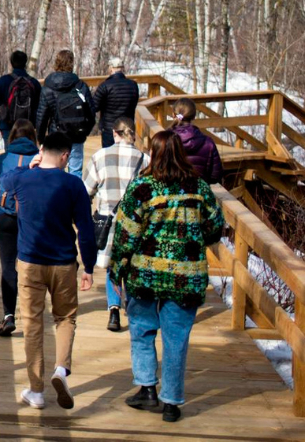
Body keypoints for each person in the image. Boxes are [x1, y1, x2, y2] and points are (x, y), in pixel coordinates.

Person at [109, 129, 227, 423]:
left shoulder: (142, 187)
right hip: (186, 276)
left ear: (154, 153)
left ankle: (147, 388)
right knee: (176, 339)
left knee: (142, 330)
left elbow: (126, 234)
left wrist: (117, 269)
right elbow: (215, 227)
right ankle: (171, 403)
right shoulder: (199, 187)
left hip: (145, 274)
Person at [0, 131, 97, 410]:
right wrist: (88, 267)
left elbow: (1, 182)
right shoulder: (73, 184)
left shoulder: (21, 178)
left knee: (32, 324)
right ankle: (60, 370)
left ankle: (36, 391)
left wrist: (28, 164)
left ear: (42, 150)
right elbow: (86, 230)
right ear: (66, 156)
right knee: (65, 318)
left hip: (30, 263)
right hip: (63, 263)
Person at [83, 116, 145, 332]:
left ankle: (114, 311)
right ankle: (134, 308)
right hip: (136, 223)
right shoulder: (144, 160)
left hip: (109, 222)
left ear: (115, 134)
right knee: (132, 266)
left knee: (113, 267)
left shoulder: (100, 156)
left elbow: (86, 190)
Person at [0, 120, 40, 338]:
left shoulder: (3, 158)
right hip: (32, 220)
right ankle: (32, 314)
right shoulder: (40, 159)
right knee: (32, 267)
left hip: (5, 219)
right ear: (33, 137)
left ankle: (9, 316)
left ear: (12, 138)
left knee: (8, 266)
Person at [35, 49, 98, 177]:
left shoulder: (48, 87)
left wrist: (41, 139)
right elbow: (91, 113)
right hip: (76, 135)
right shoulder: (80, 86)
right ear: (71, 64)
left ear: (56, 63)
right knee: (75, 172)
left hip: (56, 136)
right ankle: (74, 196)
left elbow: (41, 116)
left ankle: (58, 196)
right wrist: (83, 132)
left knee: (55, 172)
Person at [0, 50, 42, 144]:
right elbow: (40, 108)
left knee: (10, 155)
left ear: (12, 63)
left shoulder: (3, 81)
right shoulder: (34, 83)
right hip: (28, 126)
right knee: (28, 154)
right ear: (25, 63)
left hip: (8, 126)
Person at [169, 98, 223, 184]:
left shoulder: (164, 140)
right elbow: (215, 175)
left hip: (170, 193)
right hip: (199, 194)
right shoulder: (208, 142)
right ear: (194, 116)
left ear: (173, 114)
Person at [92, 57, 139, 150]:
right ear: (122, 69)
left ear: (111, 68)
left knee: (109, 156)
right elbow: (134, 103)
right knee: (127, 154)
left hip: (109, 128)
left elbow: (94, 106)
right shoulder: (133, 85)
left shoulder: (105, 86)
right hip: (127, 127)